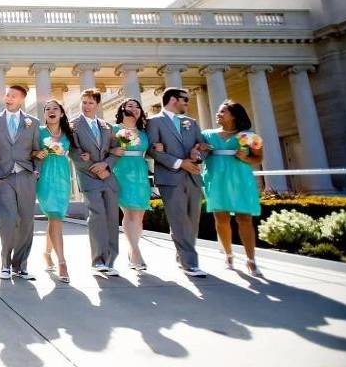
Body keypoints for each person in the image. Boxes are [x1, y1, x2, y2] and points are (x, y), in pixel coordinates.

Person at [146, 87, 210, 278]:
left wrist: (197, 155)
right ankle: (190, 263)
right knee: (180, 220)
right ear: (173, 100)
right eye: (185, 100)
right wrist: (180, 163)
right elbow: (152, 150)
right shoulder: (154, 122)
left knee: (192, 220)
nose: (187, 104)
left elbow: (203, 146)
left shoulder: (191, 122)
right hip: (170, 178)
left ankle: (182, 255)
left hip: (193, 177)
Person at [0, 84, 41, 281]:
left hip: (26, 176)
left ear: (21, 100)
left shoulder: (32, 122)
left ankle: (21, 265)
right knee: (7, 221)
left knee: (26, 221)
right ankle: (5, 264)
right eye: (7, 94)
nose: (8, 98)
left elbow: (37, 150)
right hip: (2, 177)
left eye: (13, 96)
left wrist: (35, 172)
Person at [202, 100, 264, 277]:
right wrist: (201, 148)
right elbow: (197, 150)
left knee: (244, 218)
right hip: (216, 179)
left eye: (223, 112)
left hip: (240, 180)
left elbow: (258, 158)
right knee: (220, 218)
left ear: (234, 115)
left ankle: (251, 260)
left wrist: (246, 158)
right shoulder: (206, 135)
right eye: (218, 112)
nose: (218, 114)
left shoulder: (249, 136)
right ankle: (228, 255)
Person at [70, 88, 122, 277]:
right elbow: (74, 153)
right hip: (89, 177)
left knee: (111, 218)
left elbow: (117, 151)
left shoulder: (107, 126)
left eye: (91, 103)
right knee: (97, 216)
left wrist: (105, 165)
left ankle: (111, 260)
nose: (87, 106)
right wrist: (94, 167)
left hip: (108, 177)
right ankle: (98, 260)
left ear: (97, 105)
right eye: (84, 102)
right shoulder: (73, 126)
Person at [111, 98, 151, 270]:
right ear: (122, 110)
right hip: (122, 172)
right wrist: (113, 150)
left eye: (136, 107)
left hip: (140, 172)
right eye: (129, 106)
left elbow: (149, 152)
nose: (133, 109)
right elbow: (105, 148)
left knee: (139, 215)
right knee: (129, 212)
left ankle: (132, 249)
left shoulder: (145, 132)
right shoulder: (114, 130)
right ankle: (136, 253)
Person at [36, 99, 74, 283]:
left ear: (61, 113)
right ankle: (62, 262)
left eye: (55, 108)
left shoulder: (69, 133)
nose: (51, 111)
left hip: (63, 178)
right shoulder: (38, 132)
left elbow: (79, 151)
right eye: (47, 109)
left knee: (55, 217)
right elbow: (30, 151)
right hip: (45, 177)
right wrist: (36, 154)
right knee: (54, 216)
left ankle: (47, 253)